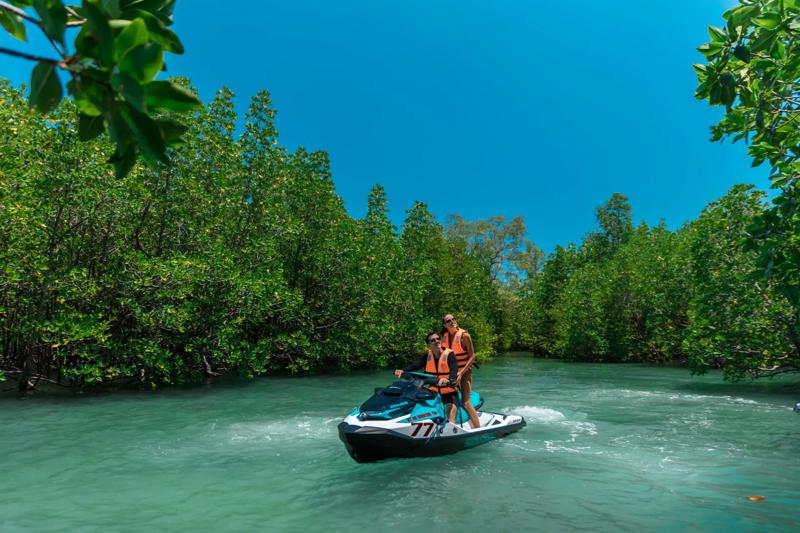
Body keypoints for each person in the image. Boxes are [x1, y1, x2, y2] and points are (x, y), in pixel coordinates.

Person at [394, 332, 459, 422]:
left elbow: (454, 369)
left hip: (449, 392)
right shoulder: (427, 357)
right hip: (433, 392)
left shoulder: (450, 355)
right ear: (429, 344)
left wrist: (449, 379)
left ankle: (452, 429)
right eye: (433, 340)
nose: (436, 341)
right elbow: (414, 366)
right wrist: (403, 371)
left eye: (438, 339)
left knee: (450, 415)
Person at [441, 314, 480, 428]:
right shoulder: (443, 337)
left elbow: (472, 356)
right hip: (451, 374)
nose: (452, 321)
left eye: (453, 319)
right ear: (445, 325)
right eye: (449, 320)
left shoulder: (465, 336)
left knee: (465, 402)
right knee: (450, 402)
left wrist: (460, 373)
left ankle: (478, 429)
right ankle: (450, 425)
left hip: (464, 372)